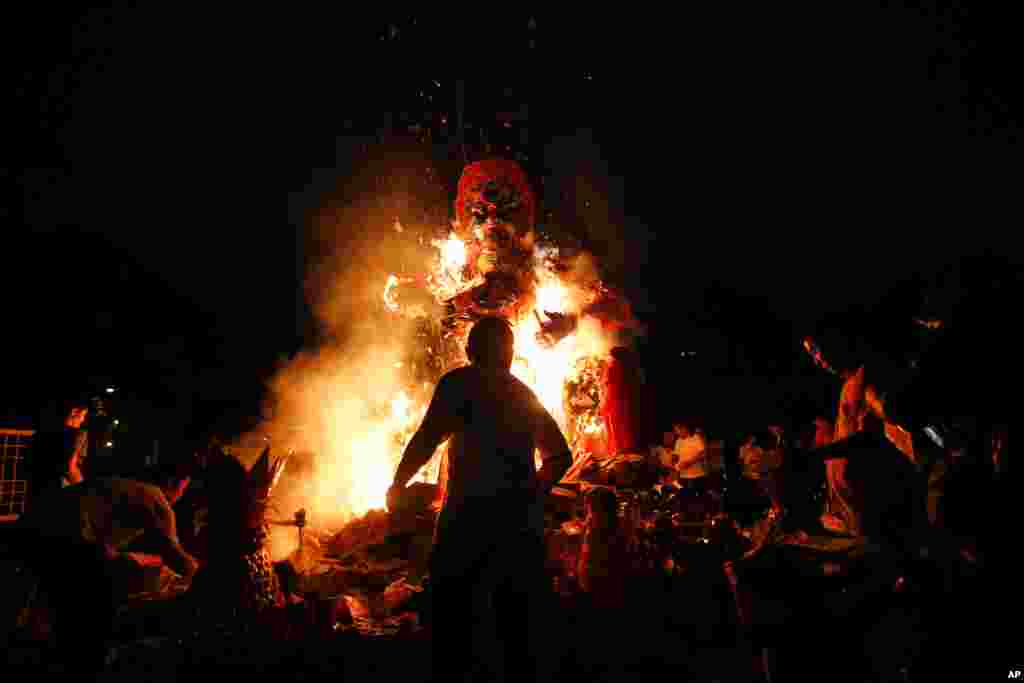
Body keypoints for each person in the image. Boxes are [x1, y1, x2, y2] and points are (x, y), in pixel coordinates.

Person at [387, 316, 573, 683]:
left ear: (471, 350)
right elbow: (560, 456)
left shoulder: (458, 385)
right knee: (514, 623)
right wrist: (533, 491)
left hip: (466, 518)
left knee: (453, 614)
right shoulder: (522, 394)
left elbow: (427, 438)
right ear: (509, 354)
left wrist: (398, 483)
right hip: (518, 525)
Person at [16, 458, 199, 675]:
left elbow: (103, 534)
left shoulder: (130, 487)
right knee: (94, 606)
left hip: (41, 524)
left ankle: (44, 651)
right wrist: (208, 575)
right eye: (183, 487)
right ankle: (82, 664)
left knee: (53, 603)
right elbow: (175, 556)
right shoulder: (157, 500)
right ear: (173, 481)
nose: (183, 494)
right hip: (66, 538)